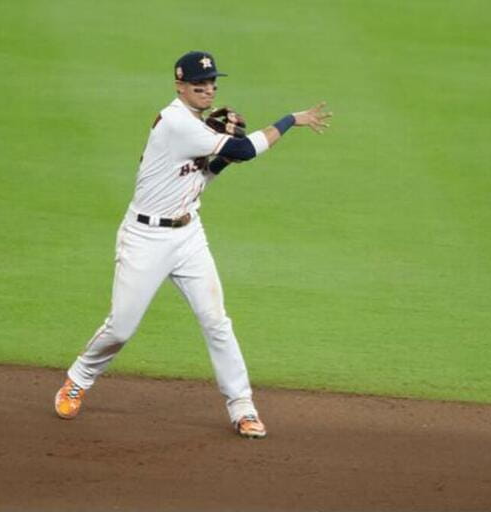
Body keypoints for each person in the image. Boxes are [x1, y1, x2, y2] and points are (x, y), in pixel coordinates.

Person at [54, 50, 332, 439]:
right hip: (145, 238)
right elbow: (245, 151)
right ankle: (78, 379)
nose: (207, 91)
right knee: (121, 327)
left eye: (212, 84)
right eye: (198, 85)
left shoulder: (197, 128)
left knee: (216, 321)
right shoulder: (176, 123)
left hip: (188, 236)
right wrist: (291, 120)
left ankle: (242, 407)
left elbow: (204, 174)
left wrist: (219, 151)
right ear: (179, 86)